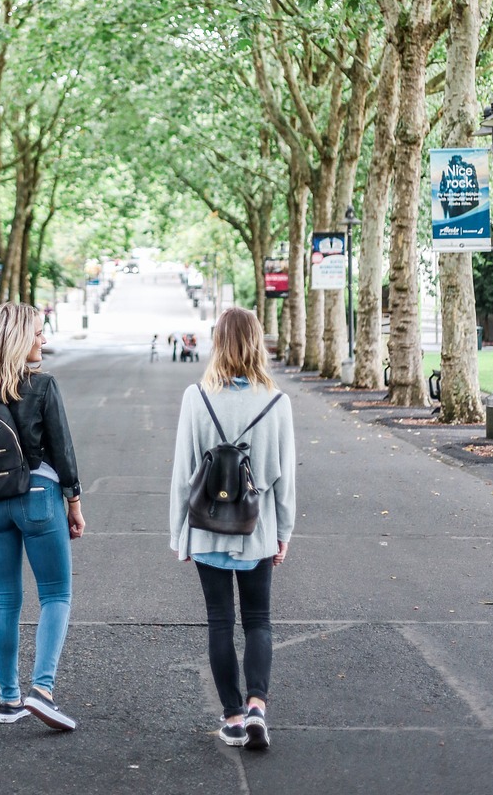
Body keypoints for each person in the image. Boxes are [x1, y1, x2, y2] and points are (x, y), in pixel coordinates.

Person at [169, 307, 295, 751]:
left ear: (217, 342)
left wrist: (178, 533)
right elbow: (284, 477)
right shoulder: (277, 402)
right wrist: (284, 533)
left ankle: (234, 717)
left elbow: (183, 471)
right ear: (258, 341)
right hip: (257, 529)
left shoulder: (196, 397)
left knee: (220, 621)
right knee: (258, 619)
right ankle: (259, 705)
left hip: (205, 529)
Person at [0, 302, 85, 730]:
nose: (42, 340)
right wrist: (75, 503)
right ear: (16, 338)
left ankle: (8, 700)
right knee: (55, 595)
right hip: (38, 499)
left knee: (4, 599)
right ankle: (42, 691)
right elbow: (63, 453)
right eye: (36, 333)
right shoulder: (42, 386)